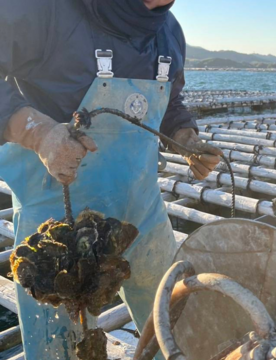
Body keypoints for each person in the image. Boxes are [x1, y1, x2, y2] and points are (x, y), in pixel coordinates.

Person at [0, 0, 221, 358]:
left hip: (144, 211)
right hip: (58, 225)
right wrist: (37, 133)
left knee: (178, 326)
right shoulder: (44, 9)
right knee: (61, 348)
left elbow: (171, 99)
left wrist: (184, 136)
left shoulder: (168, 31)